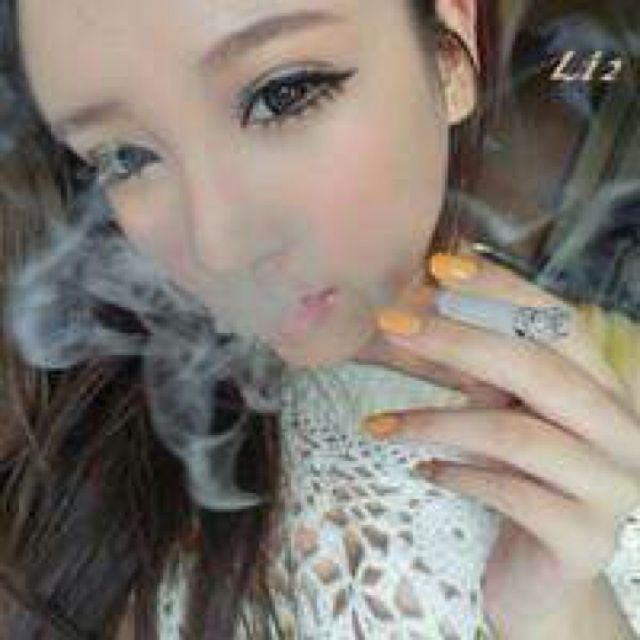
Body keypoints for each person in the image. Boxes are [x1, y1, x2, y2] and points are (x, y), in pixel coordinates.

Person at [0, 0, 639, 638]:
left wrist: (561, 609)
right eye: (124, 157)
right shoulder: (56, 420)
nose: (219, 249)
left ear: (449, 48)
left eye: (282, 95)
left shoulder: (609, 387)